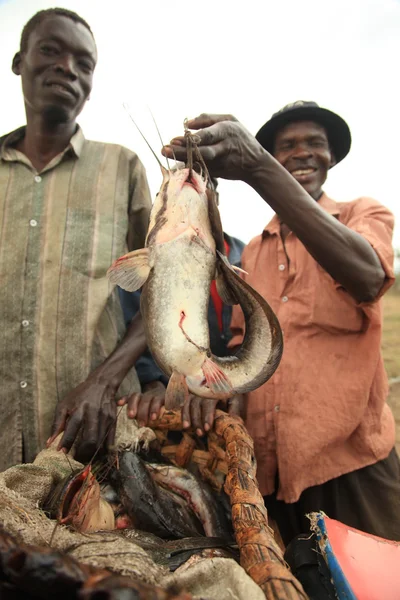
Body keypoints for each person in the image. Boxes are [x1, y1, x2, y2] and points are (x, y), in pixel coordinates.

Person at [161, 104, 399, 544]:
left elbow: (367, 277)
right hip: (267, 471)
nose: (302, 153)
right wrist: (218, 390)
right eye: (287, 147)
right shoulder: (252, 250)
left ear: (331, 156)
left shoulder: (364, 215)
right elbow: (240, 339)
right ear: (273, 155)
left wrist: (257, 166)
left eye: (314, 144)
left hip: (351, 465)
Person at [0, 8, 152, 470]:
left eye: (84, 63)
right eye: (50, 50)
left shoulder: (121, 168)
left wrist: (105, 381)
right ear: (19, 62)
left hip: (96, 440)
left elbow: (164, 290)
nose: (68, 67)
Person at [118, 177, 246, 436]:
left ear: (215, 201)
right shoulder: (143, 260)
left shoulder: (246, 256)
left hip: (230, 404)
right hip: (168, 404)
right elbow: (133, 322)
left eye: (200, 189)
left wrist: (232, 388)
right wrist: (153, 383)